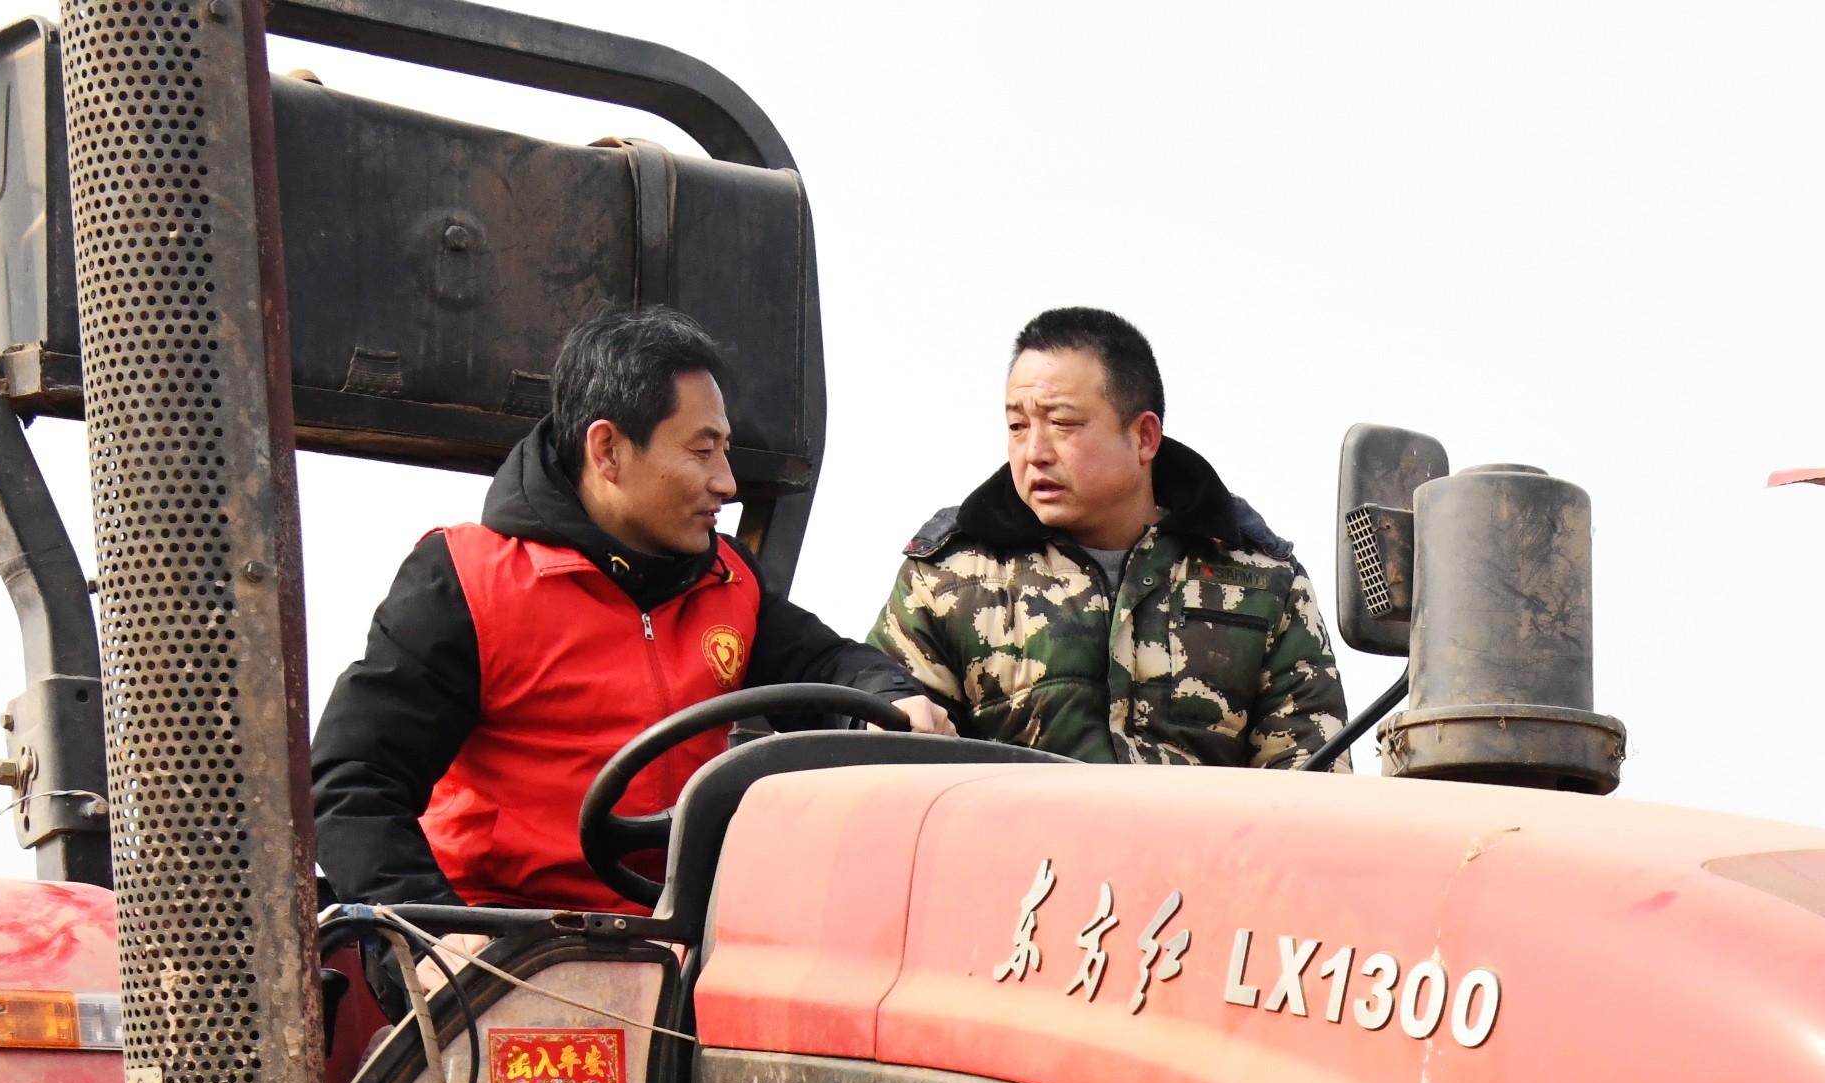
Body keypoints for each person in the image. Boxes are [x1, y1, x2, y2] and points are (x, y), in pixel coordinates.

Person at [312, 305, 931, 914]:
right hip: (509, 945)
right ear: (606, 450)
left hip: (683, 937)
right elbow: (352, 783)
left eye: (726, 451)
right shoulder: (466, 581)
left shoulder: (729, 579)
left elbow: (825, 663)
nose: (727, 483)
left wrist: (890, 696)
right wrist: (439, 937)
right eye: (701, 451)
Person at [869, 307, 1348, 769]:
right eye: (1017, 426)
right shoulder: (948, 579)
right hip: (1014, 850)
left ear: (1144, 438)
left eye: (1063, 424)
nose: (1034, 452)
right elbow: (889, 761)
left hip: (1208, 852)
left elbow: (1312, 790)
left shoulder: (1262, 583)